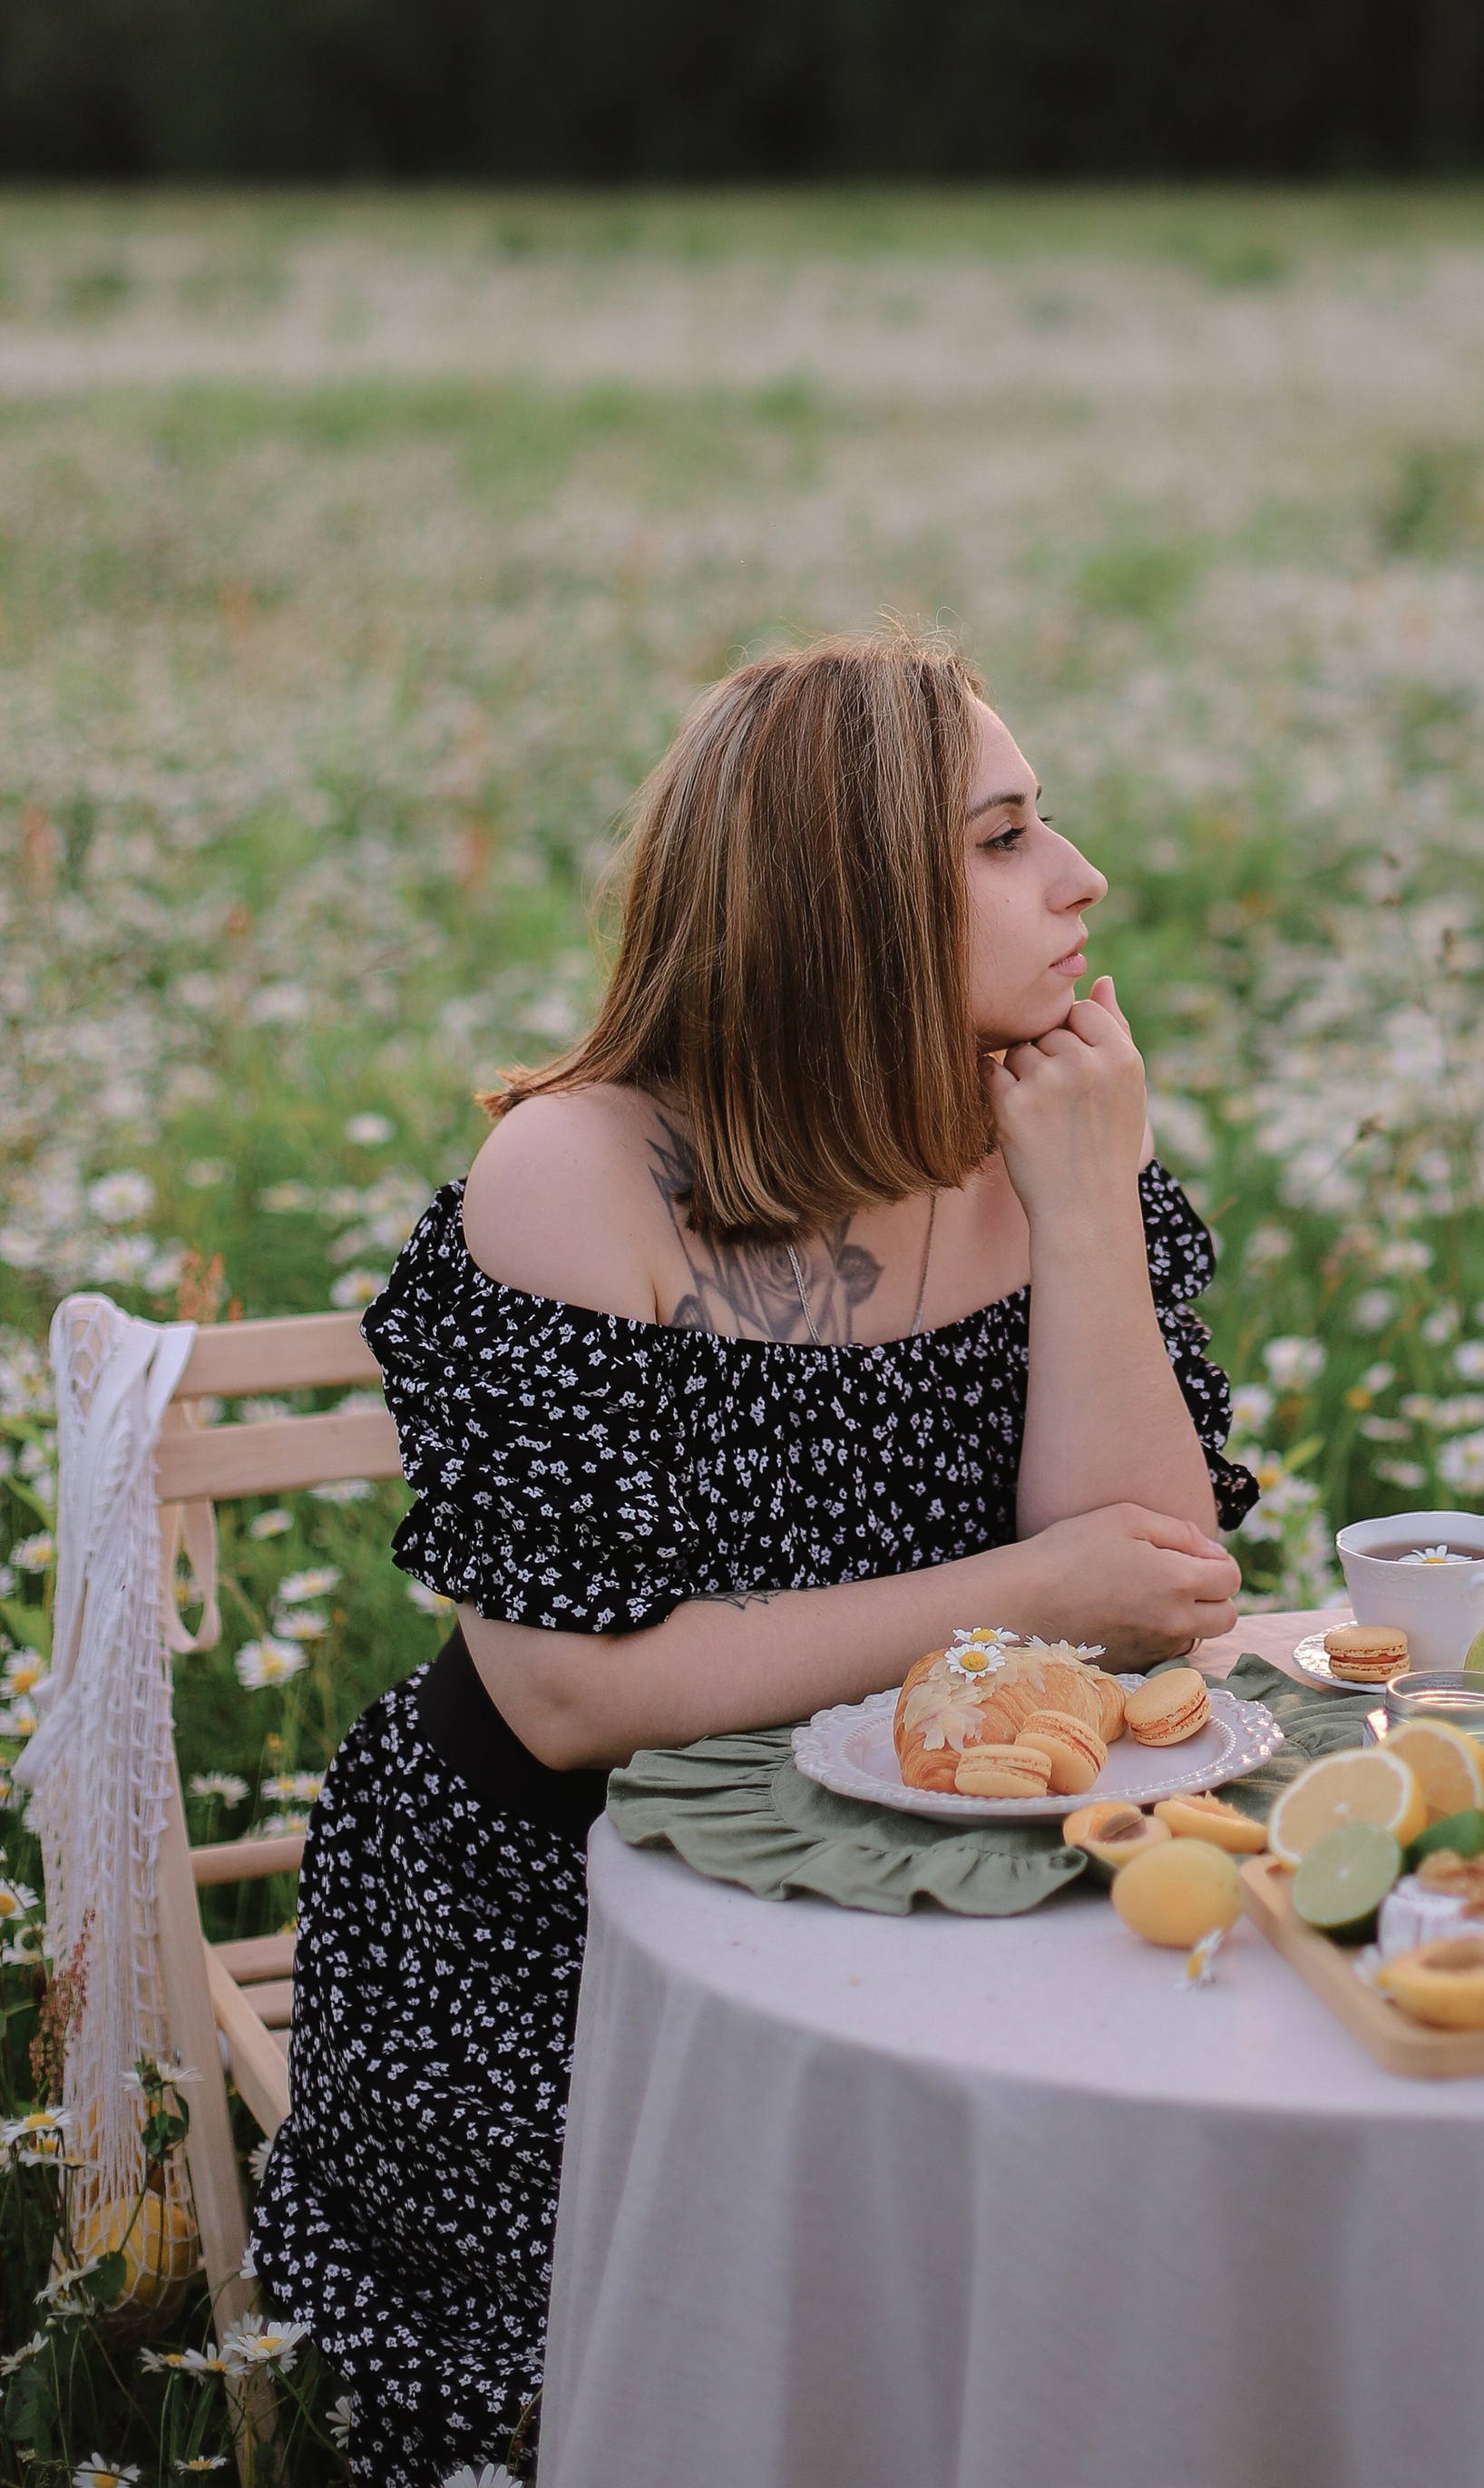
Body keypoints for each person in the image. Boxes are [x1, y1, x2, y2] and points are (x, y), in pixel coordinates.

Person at [250, 636, 1252, 2486]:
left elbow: (1159, 1587)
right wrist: (1024, 1598)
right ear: (844, 902)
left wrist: (1087, 1208)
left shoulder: (1029, 1123)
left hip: (934, 1869)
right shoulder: (582, 1176)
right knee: (740, 2366)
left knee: (1104, 2293)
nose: (1080, 876)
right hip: (555, 1928)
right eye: (1006, 836)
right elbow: (565, 1696)